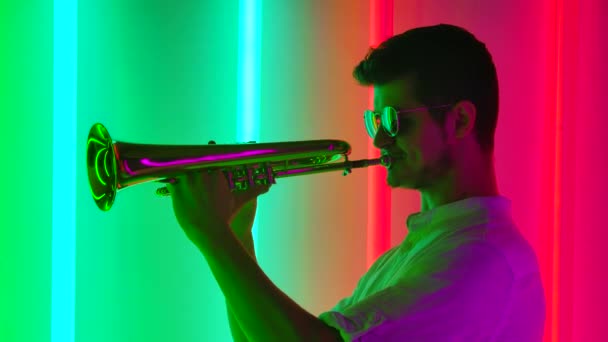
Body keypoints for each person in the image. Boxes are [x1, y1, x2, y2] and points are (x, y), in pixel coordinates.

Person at [166, 24, 546, 341]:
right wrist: (236, 235)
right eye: (377, 121)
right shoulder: (424, 251)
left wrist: (213, 237)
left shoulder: (481, 259)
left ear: (460, 121)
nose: (380, 140)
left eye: (397, 120)